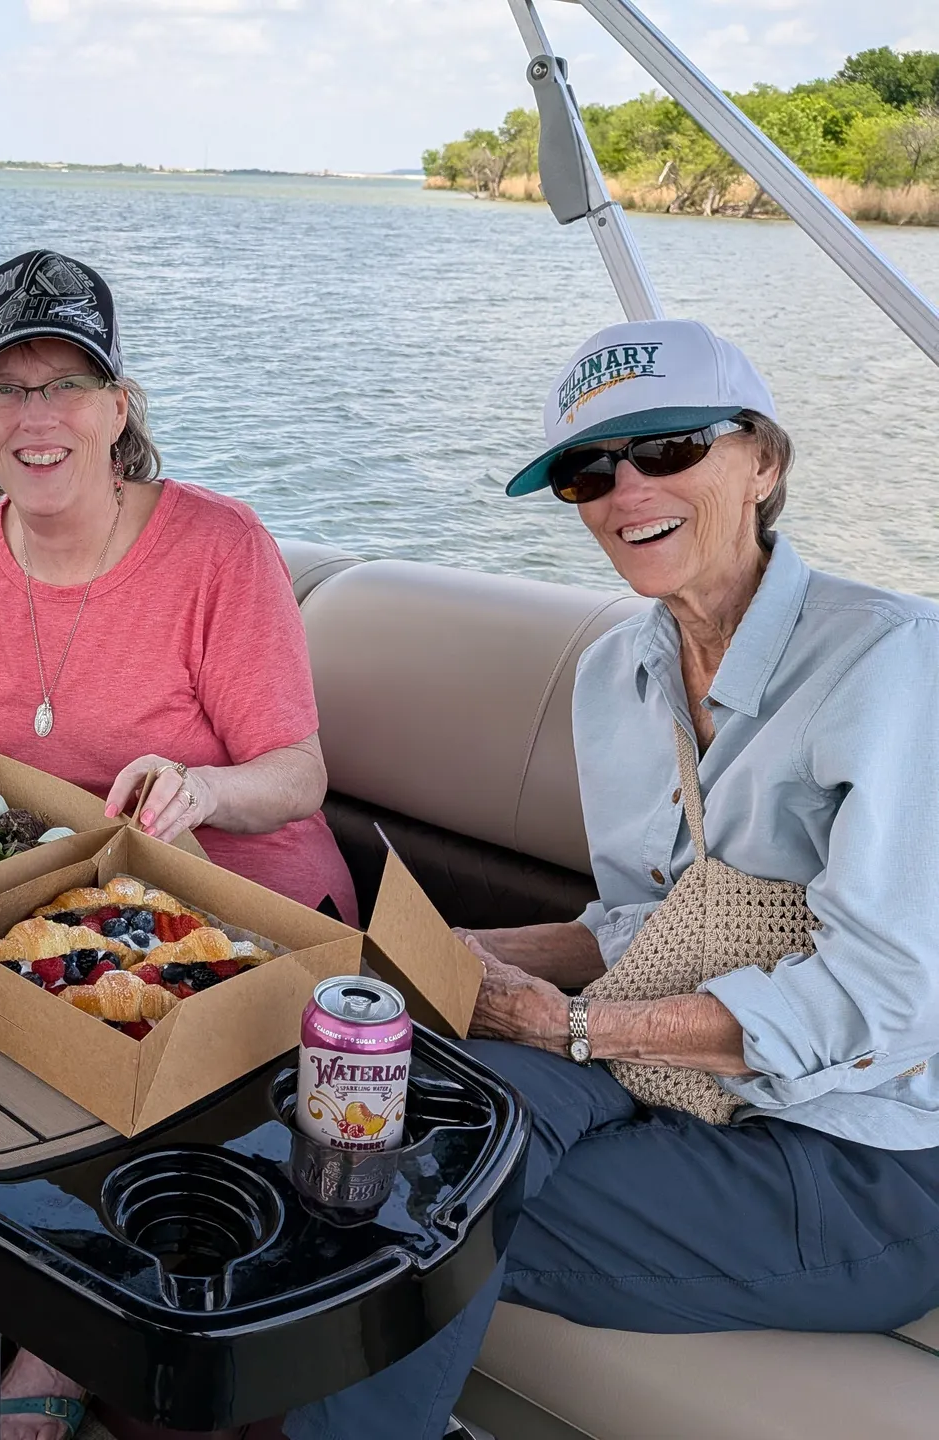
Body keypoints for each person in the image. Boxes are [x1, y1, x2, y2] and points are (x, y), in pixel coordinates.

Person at [271, 319, 939, 1439]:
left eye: (669, 449)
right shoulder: (614, 672)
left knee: (414, 1210)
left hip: (857, 1145)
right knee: (368, 1131)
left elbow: (890, 998)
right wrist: (472, 960)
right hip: (670, 1070)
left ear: (764, 460)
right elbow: (650, 922)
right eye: (589, 470)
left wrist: (569, 1033)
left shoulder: (896, 665)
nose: (626, 491)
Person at [0, 250, 356, 1436]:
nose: (36, 417)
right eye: (6, 388)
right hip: (58, 909)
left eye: (67, 383)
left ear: (119, 405)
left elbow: (300, 773)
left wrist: (202, 788)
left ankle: (50, 1333)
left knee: (103, 1057)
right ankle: (10, 1270)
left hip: (240, 908)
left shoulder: (217, 545)